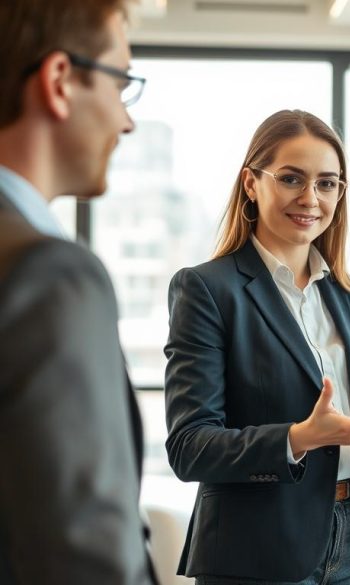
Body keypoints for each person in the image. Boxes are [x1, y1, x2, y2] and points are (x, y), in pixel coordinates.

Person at [164, 110, 350, 585]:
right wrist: (299, 437)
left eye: (327, 184)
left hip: (348, 546)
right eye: (291, 178)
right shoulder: (207, 289)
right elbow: (190, 448)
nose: (311, 198)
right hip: (254, 551)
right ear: (251, 183)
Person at [0, 1, 154, 583]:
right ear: (60, 81)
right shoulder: (49, 275)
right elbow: (86, 560)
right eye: (122, 83)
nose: (126, 120)